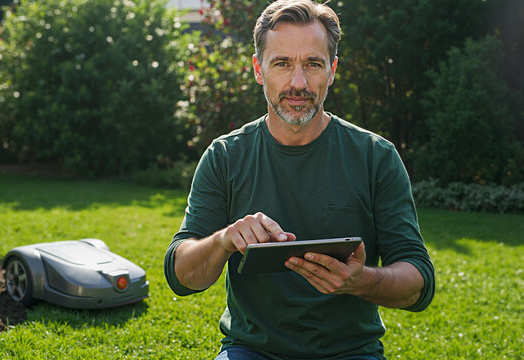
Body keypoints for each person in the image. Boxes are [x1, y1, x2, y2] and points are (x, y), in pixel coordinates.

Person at [164, 0, 435, 359]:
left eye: (313, 64)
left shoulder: (376, 157)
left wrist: (361, 281)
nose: (298, 82)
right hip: (251, 350)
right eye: (282, 63)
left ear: (332, 70)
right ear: (259, 70)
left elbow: (419, 282)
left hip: (351, 352)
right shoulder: (225, 156)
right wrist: (224, 240)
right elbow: (180, 276)